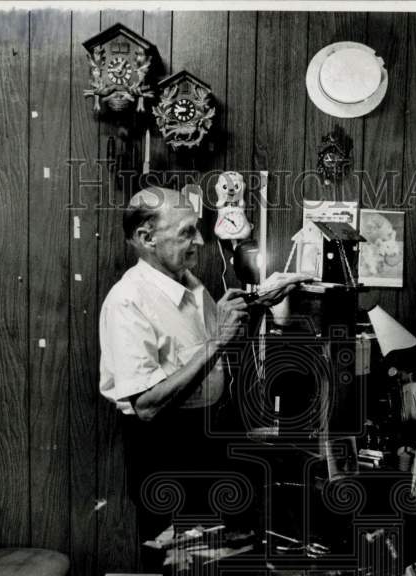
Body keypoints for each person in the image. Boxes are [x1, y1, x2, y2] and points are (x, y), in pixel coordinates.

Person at [98, 186, 290, 551]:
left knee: (219, 564)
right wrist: (216, 340)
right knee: (179, 574)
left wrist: (247, 305)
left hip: (207, 439)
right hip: (165, 452)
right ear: (146, 238)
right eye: (187, 231)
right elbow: (147, 406)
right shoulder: (127, 302)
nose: (199, 240)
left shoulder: (188, 283)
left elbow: (190, 346)